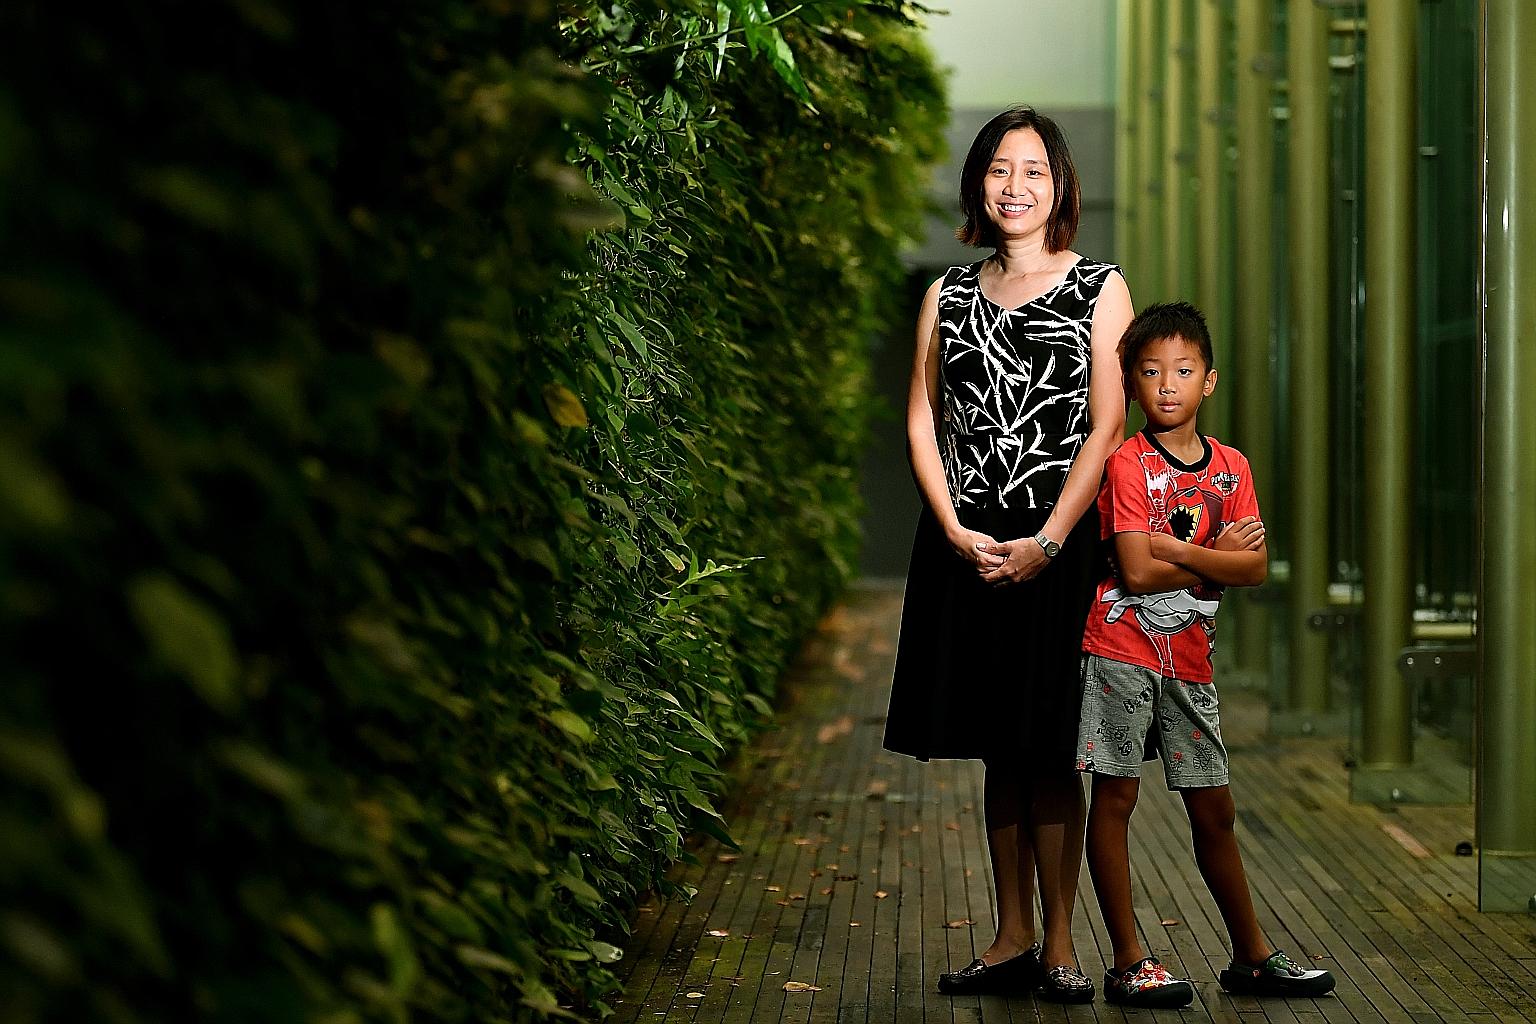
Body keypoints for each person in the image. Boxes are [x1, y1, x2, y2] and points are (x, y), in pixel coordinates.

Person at [882, 105, 1132, 1003]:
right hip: (969, 537)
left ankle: (1061, 944)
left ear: (1060, 184)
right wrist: (951, 527)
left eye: (1032, 170)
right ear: (976, 185)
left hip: (1061, 541)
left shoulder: (1100, 286)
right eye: (998, 169)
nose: (1014, 186)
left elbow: (1109, 424)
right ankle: (1011, 935)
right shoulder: (946, 293)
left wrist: (1052, 541)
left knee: (1053, 741)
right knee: (998, 743)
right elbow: (921, 413)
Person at [1075, 302, 1337, 1008]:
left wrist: (1177, 553)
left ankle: (1252, 956)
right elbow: (1134, 573)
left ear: (1209, 382)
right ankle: (1129, 959)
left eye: (1183, 370)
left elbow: (1253, 570)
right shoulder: (1126, 463)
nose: (1168, 385)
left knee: (1215, 809)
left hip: (1190, 658)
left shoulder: (1232, 467)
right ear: (1131, 382)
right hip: (1120, 650)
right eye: (1152, 371)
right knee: (1116, 797)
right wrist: (1210, 556)